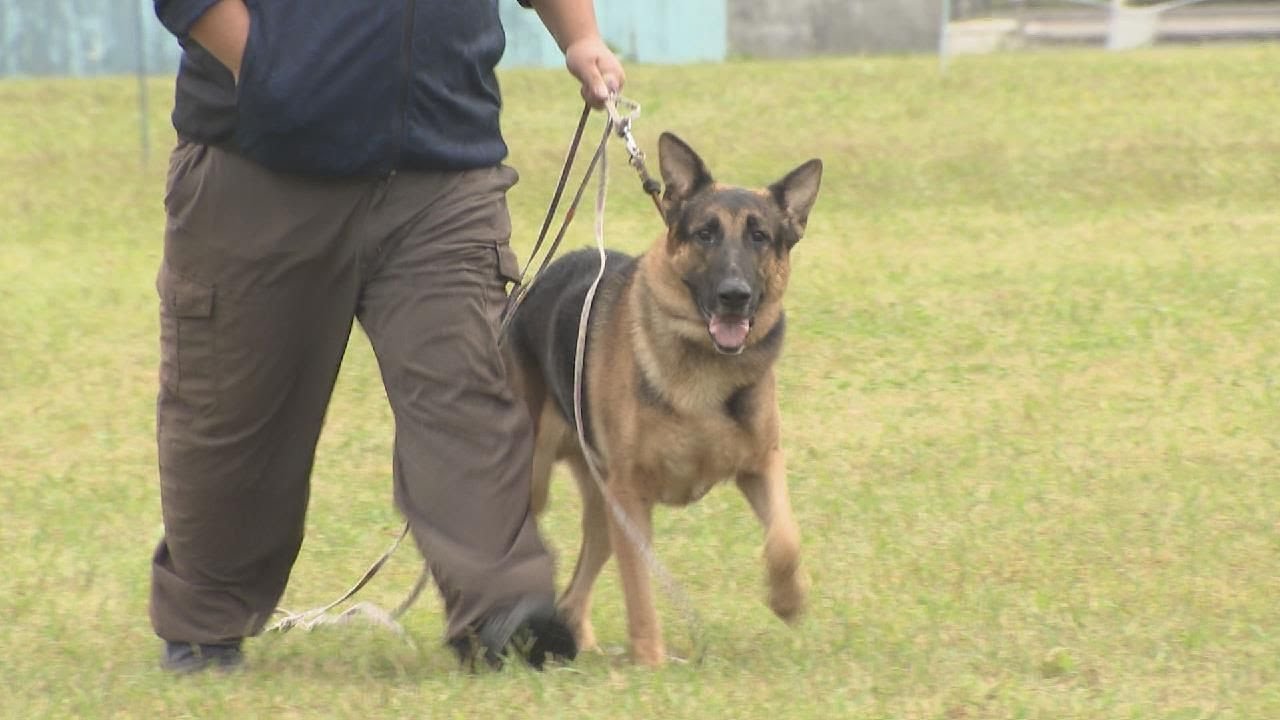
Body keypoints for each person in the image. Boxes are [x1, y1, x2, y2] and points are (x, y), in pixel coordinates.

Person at [148, 0, 625, 673]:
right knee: (232, 413)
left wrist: (580, 37)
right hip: (254, 165)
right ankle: (206, 624)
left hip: (443, 168)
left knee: (466, 395)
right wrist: (266, 72)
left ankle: (503, 612)